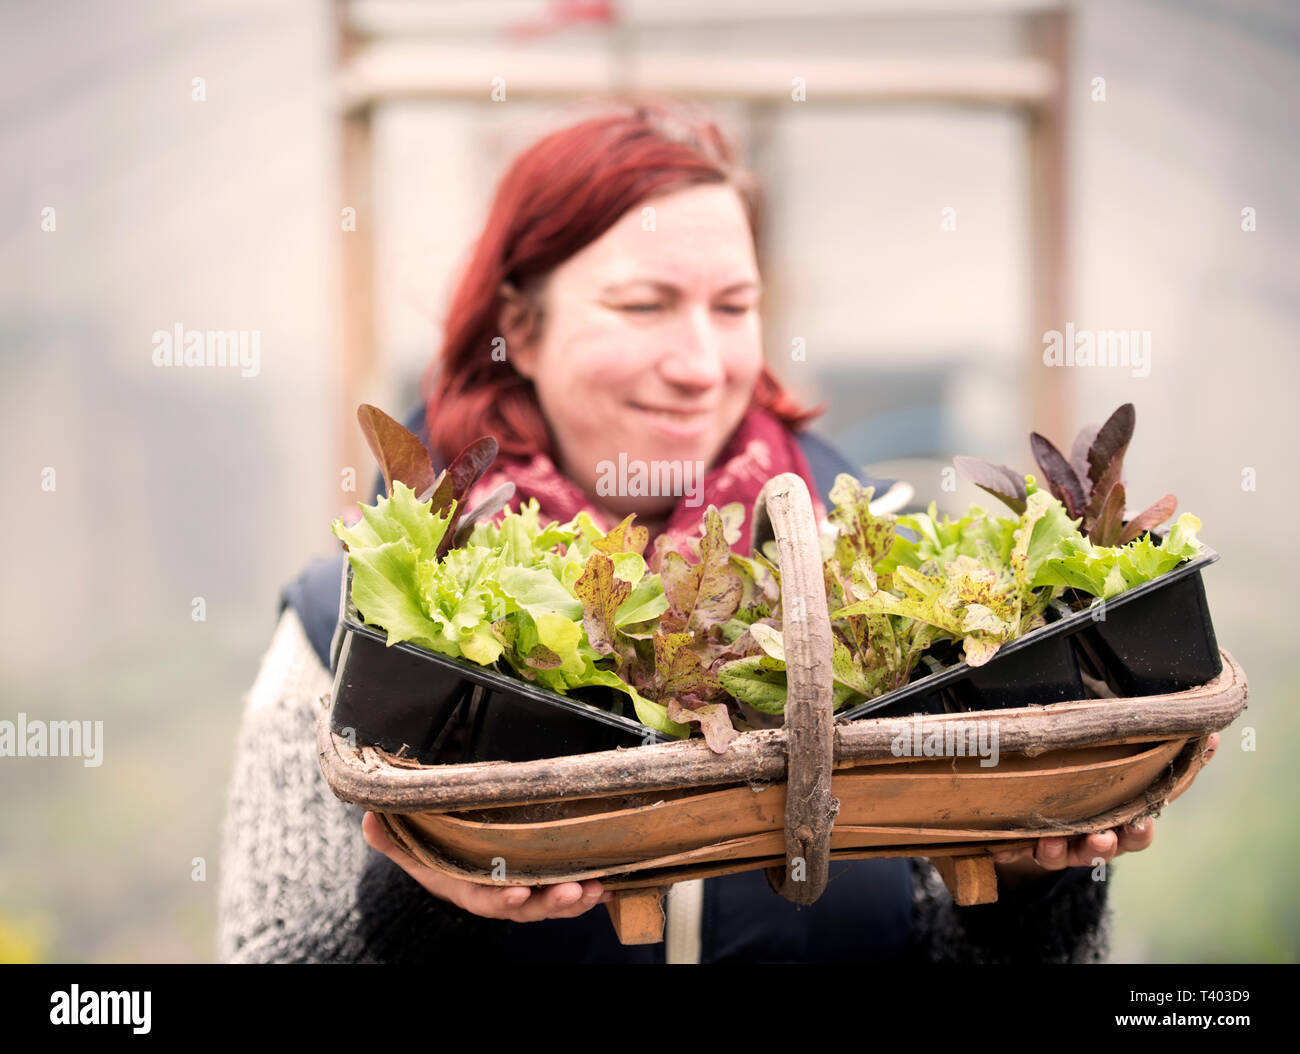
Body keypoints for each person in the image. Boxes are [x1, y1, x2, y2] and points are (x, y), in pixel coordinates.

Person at [216, 98, 1188, 964]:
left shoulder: (894, 602)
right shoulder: (345, 629)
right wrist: (427, 894)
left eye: (734, 306)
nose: (698, 361)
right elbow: (269, 950)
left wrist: (1029, 882)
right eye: (643, 305)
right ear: (525, 321)